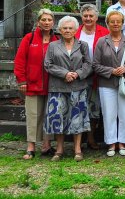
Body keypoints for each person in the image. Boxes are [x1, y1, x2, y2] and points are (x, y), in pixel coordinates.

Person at [93, 10, 125, 157]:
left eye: (118, 21)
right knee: (109, 114)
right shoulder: (102, 41)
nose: (115, 24)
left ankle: (123, 142)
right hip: (107, 83)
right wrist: (111, 71)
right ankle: (111, 143)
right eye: (112, 21)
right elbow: (95, 64)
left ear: (122, 24)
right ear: (107, 24)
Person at [43, 16, 92, 162]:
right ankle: (59, 149)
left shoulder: (83, 45)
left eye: (70, 28)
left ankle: (77, 149)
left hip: (78, 86)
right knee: (58, 118)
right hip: (58, 86)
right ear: (59, 30)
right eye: (64, 28)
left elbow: (89, 64)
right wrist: (64, 73)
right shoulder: (53, 46)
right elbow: (48, 64)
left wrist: (77, 74)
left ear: (76, 30)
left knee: (77, 118)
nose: (67, 30)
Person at [14, 9, 58, 160]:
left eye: (49, 20)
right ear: (38, 22)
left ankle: (46, 145)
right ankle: (31, 147)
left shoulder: (57, 40)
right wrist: (22, 80)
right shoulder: (29, 38)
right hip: (32, 84)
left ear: (53, 22)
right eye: (43, 20)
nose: (46, 22)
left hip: (52, 85)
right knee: (33, 115)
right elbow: (20, 60)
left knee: (49, 115)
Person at [75, 4, 109, 150]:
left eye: (91, 16)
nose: (88, 19)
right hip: (79, 76)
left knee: (94, 108)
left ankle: (91, 137)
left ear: (96, 17)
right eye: (85, 16)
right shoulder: (75, 32)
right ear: (81, 17)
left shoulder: (104, 32)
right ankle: (79, 140)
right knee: (79, 107)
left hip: (97, 76)